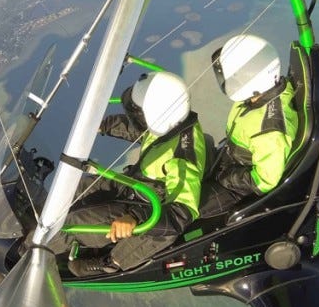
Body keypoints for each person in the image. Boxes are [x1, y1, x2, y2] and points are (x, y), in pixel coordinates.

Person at [46, 71, 206, 277]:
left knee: (73, 225)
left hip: (145, 206)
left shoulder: (182, 157)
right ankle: (36, 227)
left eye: (141, 112)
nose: (138, 116)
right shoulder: (172, 124)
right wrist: (103, 125)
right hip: (136, 187)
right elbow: (142, 132)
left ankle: (26, 256)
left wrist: (135, 217)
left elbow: (181, 213)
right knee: (76, 188)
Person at [209, 35, 298, 206]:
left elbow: (265, 181)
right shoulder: (264, 93)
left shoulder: (269, 132)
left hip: (238, 188)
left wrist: (227, 177)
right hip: (229, 159)